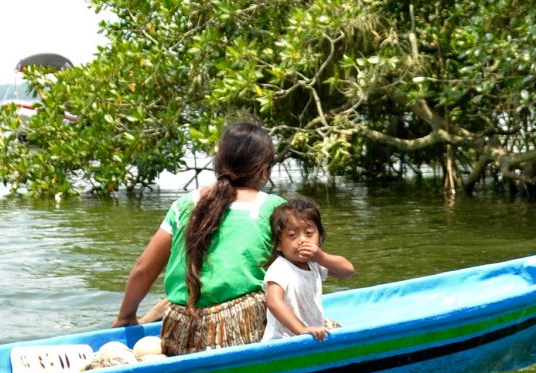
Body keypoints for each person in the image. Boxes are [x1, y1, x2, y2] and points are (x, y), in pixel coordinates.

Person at [112, 121, 284, 355]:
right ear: (264, 168)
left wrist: (126, 317)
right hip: (241, 329)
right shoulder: (274, 208)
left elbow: (143, 269)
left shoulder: (184, 204)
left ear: (219, 162)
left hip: (180, 330)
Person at [261, 196, 354, 342]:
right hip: (284, 339)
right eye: (292, 235)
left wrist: (321, 257)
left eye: (309, 233)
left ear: (320, 238)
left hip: (313, 333)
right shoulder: (280, 269)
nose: (302, 240)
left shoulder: (315, 263)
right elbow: (274, 302)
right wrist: (301, 330)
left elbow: (348, 270)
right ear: (278, 244)